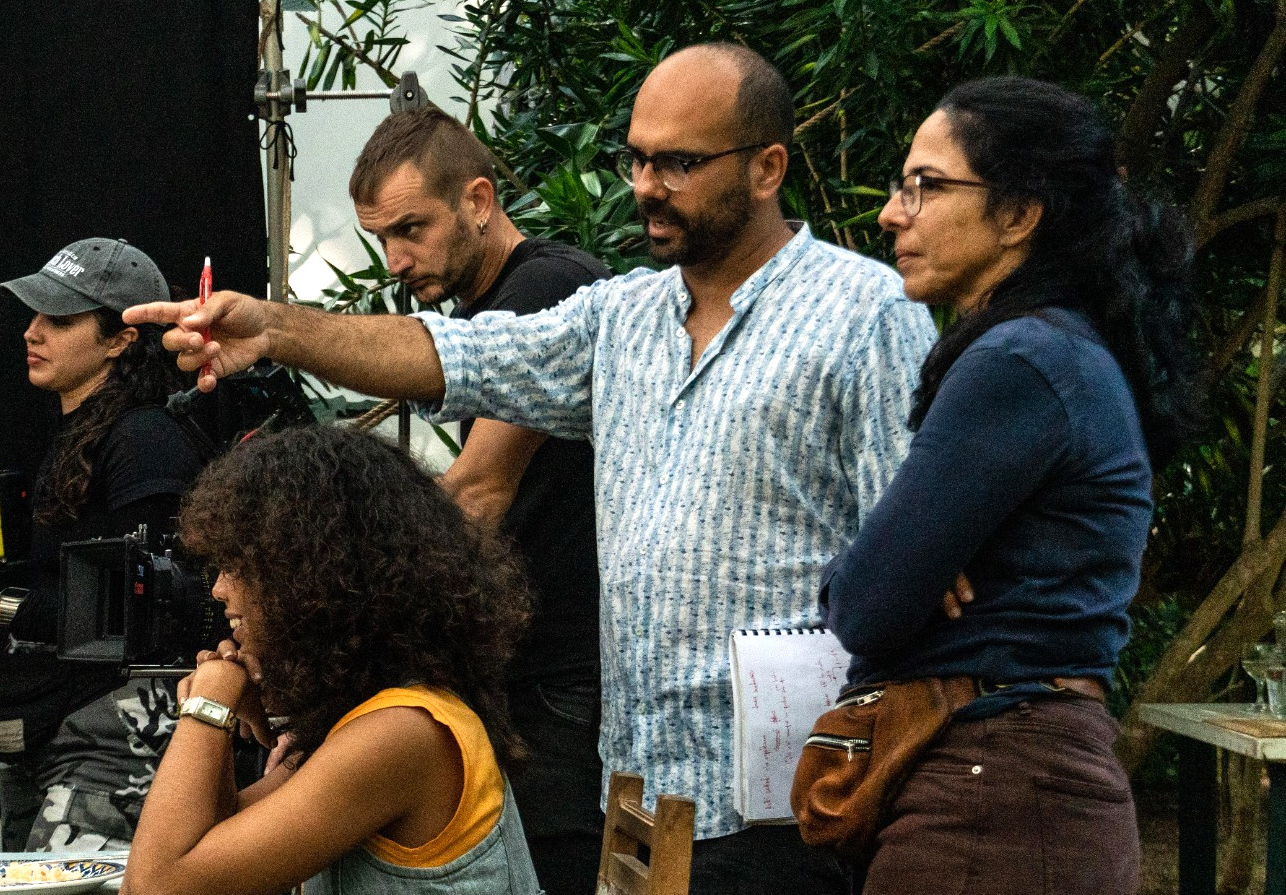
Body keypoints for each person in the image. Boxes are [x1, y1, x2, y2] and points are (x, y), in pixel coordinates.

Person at [131, 43, 936, 895]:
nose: (646, 184)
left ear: (769, 166)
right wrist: (275, 329)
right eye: (636, 158)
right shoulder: (622, 313)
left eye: (679, 162)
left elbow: (919, 564)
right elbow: (457, 353)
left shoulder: (865, 314)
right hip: (634, 801)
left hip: (789, 809)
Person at [820, 77, 1202, 894]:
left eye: (926, 185)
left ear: (1020, 214)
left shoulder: (1019, 361)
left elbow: (866, 604)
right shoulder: (1058, 349)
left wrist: (889, 566)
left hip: (995, 798)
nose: (893, 212)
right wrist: (912, 559)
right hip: (1017, 787)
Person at [348, 105, 610, 895]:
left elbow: (481, 490)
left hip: (566, 675)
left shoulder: (546, 286)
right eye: (381, 240)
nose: (395, 259)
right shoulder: (485, 307)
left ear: (478, 200)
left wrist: (346, 610)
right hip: (538, 670)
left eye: (410, 229)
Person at [125, 425, 539, 895]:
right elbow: (221, 841)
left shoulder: (402, 730)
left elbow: (154, 887)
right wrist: (229, 716)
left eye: (238, 565)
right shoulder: (362, 716)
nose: (219, 589)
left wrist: (207, 704)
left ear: (311, 578)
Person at [0, 238, 208, 851]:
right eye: (33, 315)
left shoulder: (146, 439)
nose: (32, 332)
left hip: (116, 732)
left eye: (59, 320)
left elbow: (140, 608)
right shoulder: (77, 434)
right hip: (48, 729)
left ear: (121, 338)